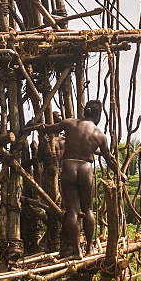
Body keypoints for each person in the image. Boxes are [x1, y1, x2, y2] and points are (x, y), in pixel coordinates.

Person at [33, 100, 122, 258]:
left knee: (72, 211)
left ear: (85, 111)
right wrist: (120, 174)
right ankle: (89, 247)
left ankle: (78, 251)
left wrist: (34, 126)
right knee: (87, 209)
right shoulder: (100, 135)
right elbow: (109, 159)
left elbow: (48, 129)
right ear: (97, 115)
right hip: (86, 168)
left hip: (69, 166)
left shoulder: (70, 123)